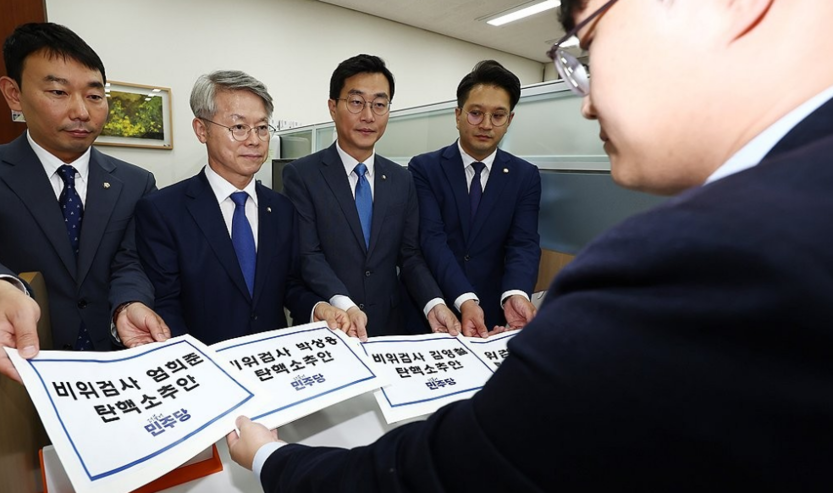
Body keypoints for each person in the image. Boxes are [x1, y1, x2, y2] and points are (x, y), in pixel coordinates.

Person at [226, 0, 833, 490]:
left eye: (590, 46)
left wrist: (273, 461)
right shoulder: (778, 214)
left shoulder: (685, 263)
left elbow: (442, 470)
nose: (587, 98)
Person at [0, 23, 168, 382]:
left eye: (95, 96)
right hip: (22, 369)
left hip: (115, 364)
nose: (81, 111)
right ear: (13, 94)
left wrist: (130, 305)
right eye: (57, 91)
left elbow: (131, 261)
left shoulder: (137, 182)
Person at [134, 71, 349, 345]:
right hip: (207, 369)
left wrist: (317, 308)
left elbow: (290, 286)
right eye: (238, 127)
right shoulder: (162, 211)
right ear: (202, 130)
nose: (254, 140)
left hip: (275, 363)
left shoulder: (281, 208)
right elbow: (165, 305)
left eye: (262, 128)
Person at [282, 54, 460, 339]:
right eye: (356, 102)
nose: (368, 116)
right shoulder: (301, 175)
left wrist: (433, 304)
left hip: (387, 326)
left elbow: (410, 255)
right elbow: (308, 255)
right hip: (330, 324)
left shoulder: (402, 179)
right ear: (332, 107)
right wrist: (344, 304)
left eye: (379, 104)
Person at [408, 60, 541, 337]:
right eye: (476, 113)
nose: (486, 125)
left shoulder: (525, 176)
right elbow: (432, 239)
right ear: (458, 115)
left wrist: (516, 293)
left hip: (494, 314)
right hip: (435, 308)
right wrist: (464, 298)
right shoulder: (424, 168)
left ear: (509, 121)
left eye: (498, 115)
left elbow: (523, 243)